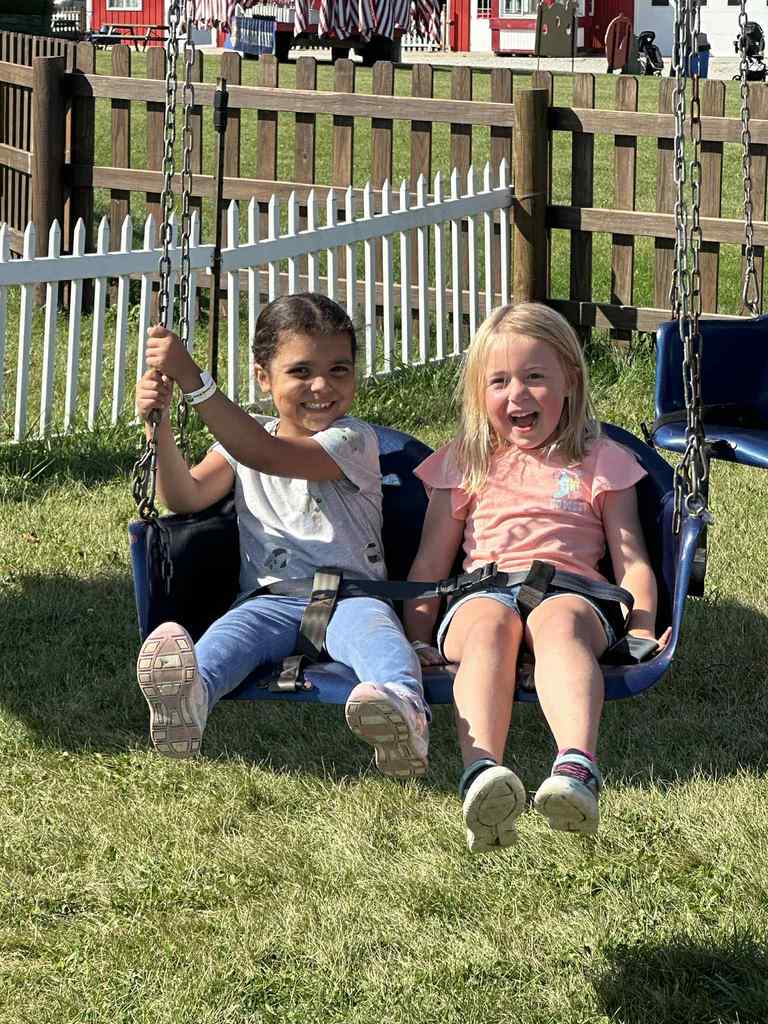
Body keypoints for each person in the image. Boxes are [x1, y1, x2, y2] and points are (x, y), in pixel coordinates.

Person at [404, 302, 668, 852]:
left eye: (535, 377)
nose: (517, 395)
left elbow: (632, 561)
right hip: (483, 590)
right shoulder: (464, 462)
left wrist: (640, 629)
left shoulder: (603, 461)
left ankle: (576, 767)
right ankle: (483, 776)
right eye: (498, 381)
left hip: (571, 590)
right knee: (488, 629)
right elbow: (430, 565)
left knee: (559, 624)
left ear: (570, 379)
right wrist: (417, 638)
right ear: (480, 393)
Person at [134, 292, 428, 776]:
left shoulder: (351, 439)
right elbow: (183, 497)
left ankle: (402, 710)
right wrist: (158, 428)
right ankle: (188, 703)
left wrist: (193, 381)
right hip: (268, 601)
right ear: (261, 377)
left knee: (381, 645)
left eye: (339, 369)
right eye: (300, 371)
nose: (322, 386)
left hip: (351, 596)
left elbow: (266, 456)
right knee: (221, 647)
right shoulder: (239, 441)